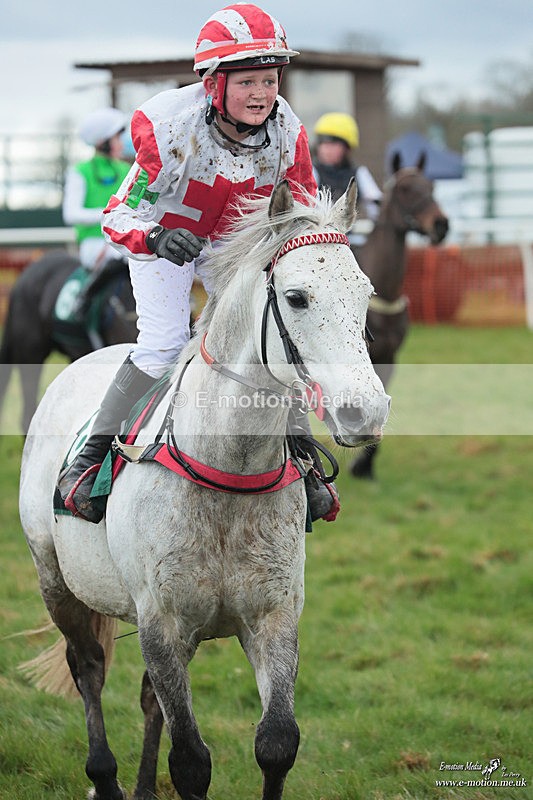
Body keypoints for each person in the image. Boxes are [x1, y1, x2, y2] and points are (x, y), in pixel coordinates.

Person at [58, 3, 335, 525]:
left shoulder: (289, 133)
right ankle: (89, 460)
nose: (262, 94)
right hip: (164, 239)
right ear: (214, 84)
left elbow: (301, 209)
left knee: (269, 337)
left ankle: (301, 457)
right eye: (248, 81)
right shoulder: (166, 127)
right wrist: (158, 236)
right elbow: (118, 212)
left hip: (231, 242)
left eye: (270, 80)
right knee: (163, 345)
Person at [63, 107, 131, 275]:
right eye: (118, 138)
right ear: (104, 142)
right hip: (94, 244)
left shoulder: (127, 169)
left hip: (127, 240)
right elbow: (71, 214)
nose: (123, 142)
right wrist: (110, 215)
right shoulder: (80, 171)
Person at [312, 111, 382, 243]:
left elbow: (377, 207)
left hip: (353, 241)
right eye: (322, 142)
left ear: (347, 148)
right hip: (319, 241)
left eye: (333, 143)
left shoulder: (360, 173)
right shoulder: (311, 172)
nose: (326, 149)